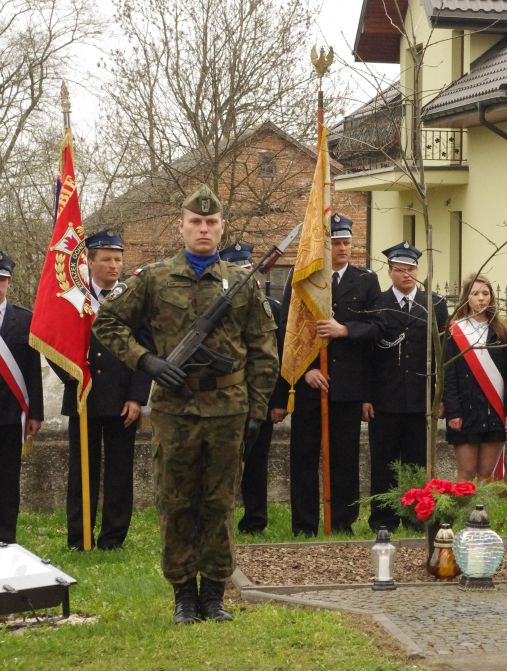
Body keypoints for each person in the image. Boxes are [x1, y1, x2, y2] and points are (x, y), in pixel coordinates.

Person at [93, 184, 278, 624]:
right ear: (181, 226)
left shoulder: (241, 282)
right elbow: (107, 322)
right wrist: (148, 362)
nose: (203, 229)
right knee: (175, 501)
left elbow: (263, 347)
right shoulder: (153, 278)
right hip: (175, 409)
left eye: (211, 222)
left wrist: (256, 410)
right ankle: (183, 595)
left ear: (221, 228)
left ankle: (214, 593)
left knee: (219, 500)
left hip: (228, 407)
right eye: (195, 222)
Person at [273, 215, 380, 536]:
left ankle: (342, 522)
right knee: (304, 457)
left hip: (346, 386)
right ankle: (304, 525)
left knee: (344, 459)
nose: (343, 248)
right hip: (308, 386)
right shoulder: (304, 276)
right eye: (336, 243)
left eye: (347, 242)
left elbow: (378, 328)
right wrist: (304, 372)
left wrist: (344, 329)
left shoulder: (365, 281)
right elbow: (288, 331)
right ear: (325, 245)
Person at [52, 231, 152, 550]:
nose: (113, 265)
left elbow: (146, 349)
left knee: (120, 471)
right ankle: (79, 537)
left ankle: (113, 537)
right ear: (90, 261)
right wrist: (73, 377)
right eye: (106, 259)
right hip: (84, 395)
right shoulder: (73, 299)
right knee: (82, 471)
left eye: (118, 259)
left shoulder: (133, 300)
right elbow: (54, 344)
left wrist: (137, 397)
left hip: (123, 398)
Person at [366, 241, 448, 531]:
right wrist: (367, 397)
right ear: (390, 272)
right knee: (384, 463)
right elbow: (369, 354)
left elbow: (443, 354)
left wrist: (442, 397)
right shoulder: (378, 304)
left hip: (420, 398)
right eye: (400, 270)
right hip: (384, 399)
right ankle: (383, 519)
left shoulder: (434, 304)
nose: (406, 275)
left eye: (411, 269)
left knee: (416, 463)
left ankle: (417, 517)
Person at [217, 243, 283, 535]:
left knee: (256, 462)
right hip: (224, 397)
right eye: (240, 270)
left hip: (259, 397)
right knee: (222, 463)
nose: (247, 275)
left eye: (249, 268)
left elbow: (278, 359)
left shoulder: (274, 308)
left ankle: (255, 519)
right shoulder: (217, 310)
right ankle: (223, 518)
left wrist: (275, 401)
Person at [444, 274, 507, 481]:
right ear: (466, 297)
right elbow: (449, 376)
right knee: (466, 473)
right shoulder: (454, 331)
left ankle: (483, 515)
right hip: (465, 414)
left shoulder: (500, 332)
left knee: (486, 475)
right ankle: (464, 514)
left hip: (493, 413)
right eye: (475, 293)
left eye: (486, 293)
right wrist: (453, 412)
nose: (481, 299)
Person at [0, 251, 43, 544]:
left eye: (1, 280)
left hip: (9, 415)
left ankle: (6, 537)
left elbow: (32, 372)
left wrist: (36, 414)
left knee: (7, 480)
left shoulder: (25, 320)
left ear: (9, 282)